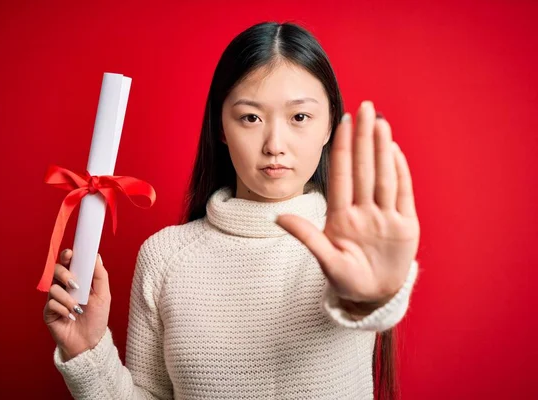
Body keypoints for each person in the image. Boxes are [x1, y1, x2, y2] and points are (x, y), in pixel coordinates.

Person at [43, 21, 420, 400]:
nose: (275, 144)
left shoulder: (350, 243)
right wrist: (87, 352)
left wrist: (377, 294)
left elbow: (370, 306)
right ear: (221, 125)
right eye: (250, 117)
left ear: (329, 125)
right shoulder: (164, 257)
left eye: (299, 117)